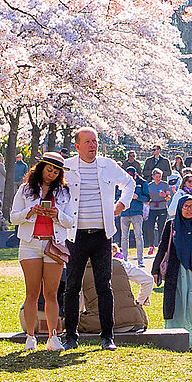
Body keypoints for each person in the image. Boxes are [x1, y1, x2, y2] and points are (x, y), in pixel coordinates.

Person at [60, 126, 138, 354]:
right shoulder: (67, 167)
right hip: (75, 235)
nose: (92, 145)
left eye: (94, 141)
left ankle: (107, 336)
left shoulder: (108, 166)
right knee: (72, 286)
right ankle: (71, 336)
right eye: (87, 142)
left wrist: (122, 203)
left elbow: (129, 183)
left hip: (103, 234)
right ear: (77, 146)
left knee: (104, 285)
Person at [11, 154, 72, 352]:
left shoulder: (64, 192)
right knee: (32, 292)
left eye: (56, 172)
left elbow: (71, 221)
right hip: (30, 244)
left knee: (51, 293)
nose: (52, 174)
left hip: (54, 245)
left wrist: (57, 215)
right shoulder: (26, 189)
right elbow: (13, 218)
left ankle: (53, 337)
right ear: (41, 168)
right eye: (49, 170)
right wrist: (30, 212)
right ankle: (30, 336)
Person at [152, 191, 192, 350]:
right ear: (180, 208)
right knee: (178, 304)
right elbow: (162, 247)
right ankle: (175, 341)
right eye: (186, 206)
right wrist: (155, 269)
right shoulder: (171, 225)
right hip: (176, 272)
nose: (189, 209)